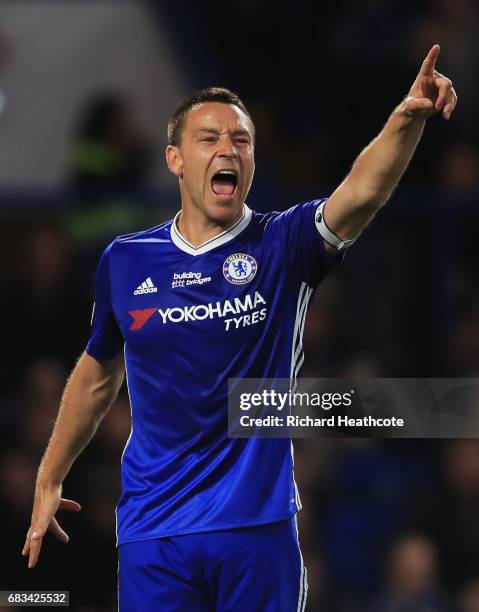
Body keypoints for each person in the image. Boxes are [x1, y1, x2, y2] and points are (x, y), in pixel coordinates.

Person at [22, 44, 456, 611]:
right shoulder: (125, 261)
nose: (228, 148)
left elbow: (362, 192)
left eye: (241, 140)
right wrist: (50, 476)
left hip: (257, 528)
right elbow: (98, 371)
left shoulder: (285, 244)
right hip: (156, 530)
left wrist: (406, 116)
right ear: (175, 159)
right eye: (210, 139)